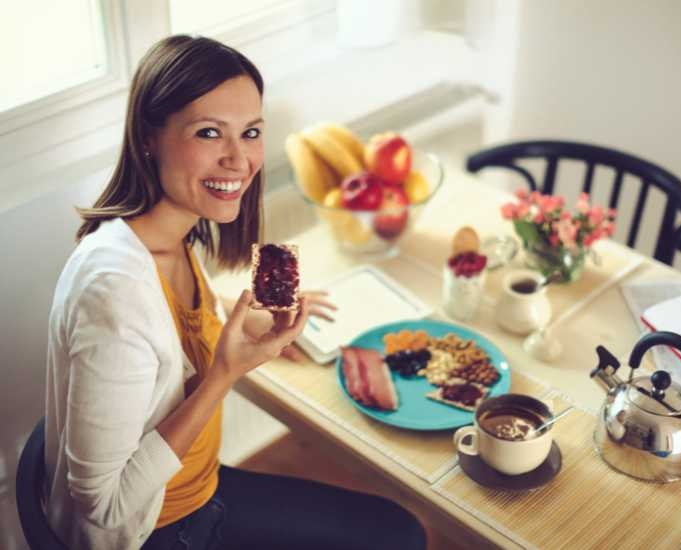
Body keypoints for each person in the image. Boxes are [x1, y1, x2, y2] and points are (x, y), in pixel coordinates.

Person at [44, 34, 427, 550]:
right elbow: (103, 506)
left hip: (204, 490)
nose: (239, 159)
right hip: (159, 530)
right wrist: (224, 373)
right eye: (208, 133)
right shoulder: (112, 291)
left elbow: (163, 327)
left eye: (250, 132)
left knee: (397, 531)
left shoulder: (169, 236)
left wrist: (236, 315)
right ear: (148, 138)